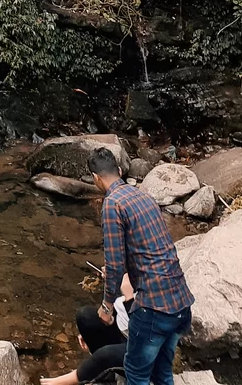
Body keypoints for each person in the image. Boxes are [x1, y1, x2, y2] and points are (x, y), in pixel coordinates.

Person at [88, 147, 194, 385]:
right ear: (118, 170)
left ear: (96, 178)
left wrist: (106, 306)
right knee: (162, 372)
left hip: (154, 308)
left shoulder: (112, 204)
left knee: (136, 374)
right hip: (180, 302)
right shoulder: (143, 196)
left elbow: (114, 264)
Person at [41, 274, 134, 385]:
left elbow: (147, 327)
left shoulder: (156, 280)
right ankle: (107, 373)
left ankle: (63, 381)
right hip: (125, 328)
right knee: (85, 316)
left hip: (144, 342)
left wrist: (129, 299)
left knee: (105, 355)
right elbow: (121, 303)